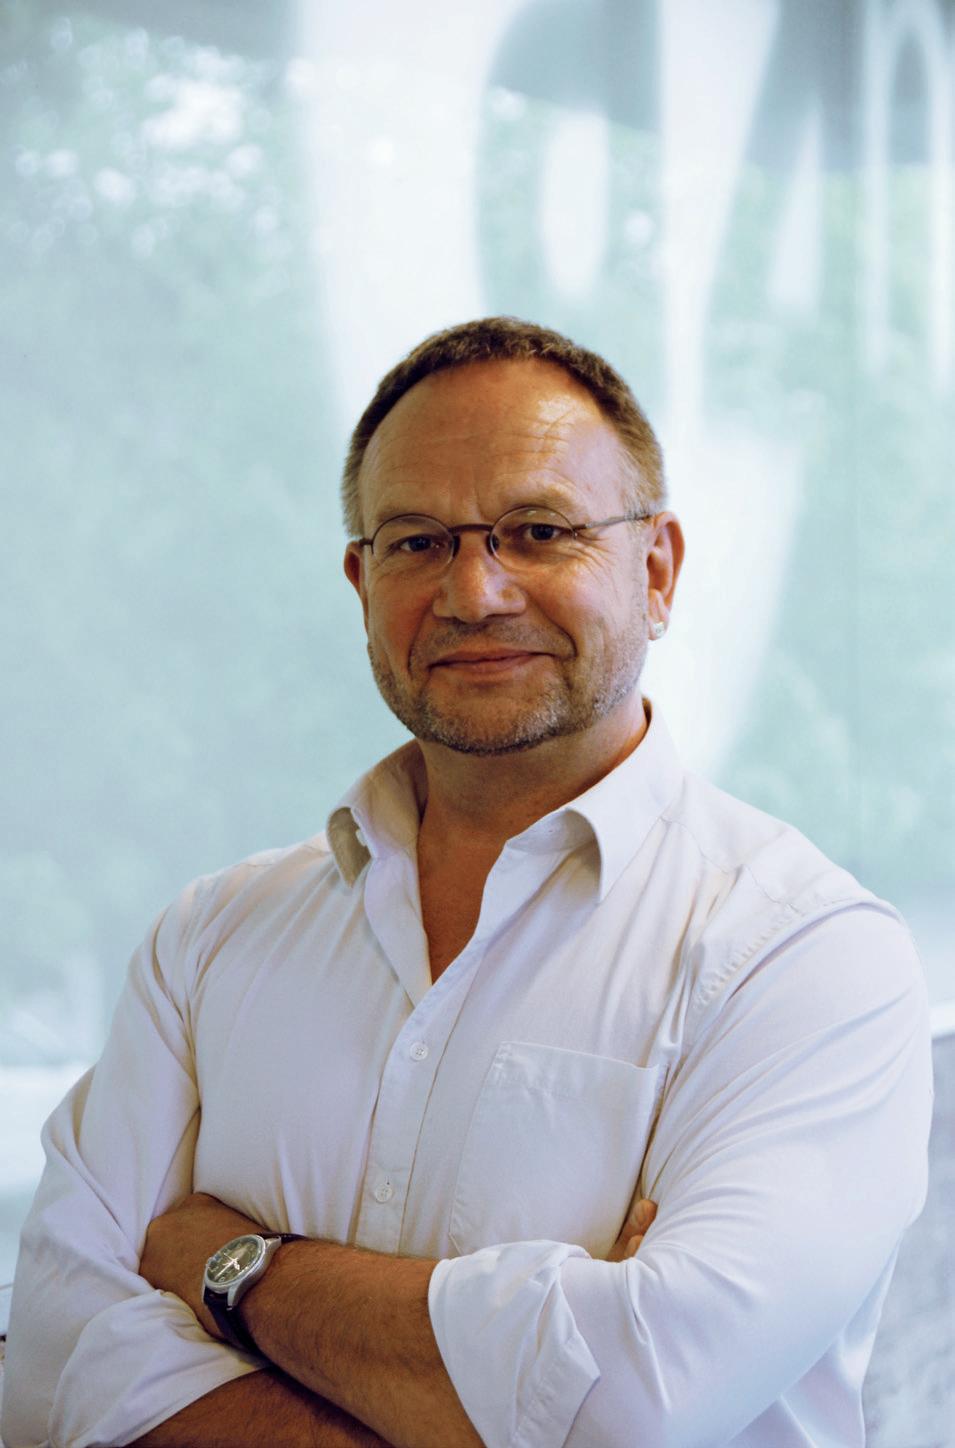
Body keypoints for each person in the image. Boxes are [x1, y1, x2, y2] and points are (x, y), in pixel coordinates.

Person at [2, 317, 932, 1448]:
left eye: (538, 530)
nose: (476, 591)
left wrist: (226, 1266)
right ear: (361, 581)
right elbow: (47, 1360)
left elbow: (633, 1405)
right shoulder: (210, 937)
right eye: (416, 541)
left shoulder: (808, 954)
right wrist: (510, 1374)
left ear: (654, 571)